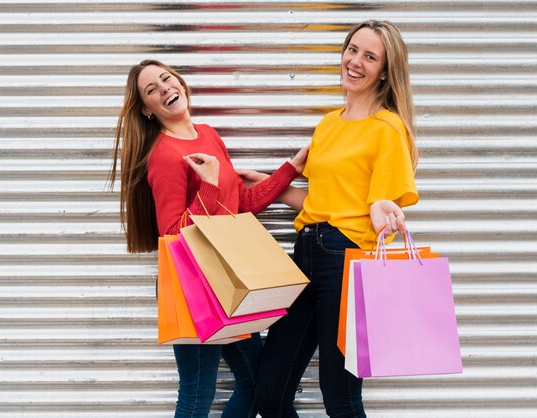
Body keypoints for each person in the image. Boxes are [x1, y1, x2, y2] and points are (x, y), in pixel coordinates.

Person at [109, 59, 308, 418]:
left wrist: (290, 168)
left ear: (181, 84)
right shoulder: (163, 156)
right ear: (146, 109)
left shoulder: (208, 134)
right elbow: (173, 233)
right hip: (194, 286)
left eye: (166, 79)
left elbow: (240, 205)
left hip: (230, 280)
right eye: (151, 90)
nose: (164, 88)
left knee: (253, 385)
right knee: (197, 396)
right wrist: (209, 183)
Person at [252, 20, 420, 417]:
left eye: (370, 56)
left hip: (347, 260)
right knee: (269, 393)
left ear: (385, 70)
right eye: (352, 49)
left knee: (340, 395)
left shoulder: (389, 129)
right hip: (306, 252)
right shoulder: (328, 124)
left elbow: (382, 202)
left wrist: (383, 209)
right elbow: (319, 201)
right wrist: (266, 183)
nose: (355, 61)